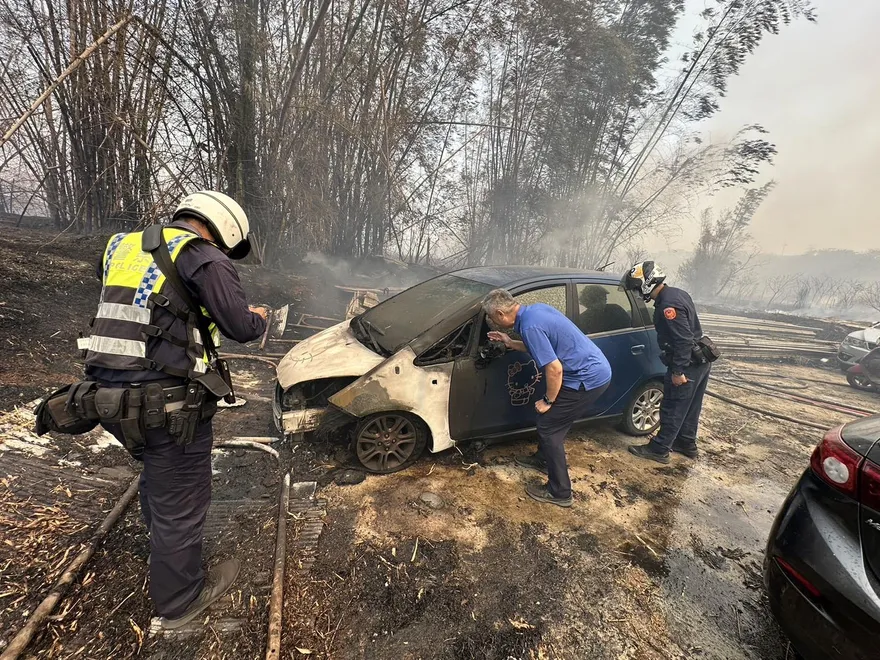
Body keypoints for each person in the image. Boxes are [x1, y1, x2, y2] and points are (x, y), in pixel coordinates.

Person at [83, 191, 268, 628]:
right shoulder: (205, 258)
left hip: (107, 396)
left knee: (156, 470)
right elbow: (240, 326)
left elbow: (144, 304)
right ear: (224, 228)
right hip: (167, 404)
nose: (226, 253)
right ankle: (180, 600)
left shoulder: (120, 245)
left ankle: (161, 543)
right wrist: (257, 315)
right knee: (181, 496)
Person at [483, 289, 612, 507]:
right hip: (590, 370)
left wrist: (548, 400)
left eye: (491, 317)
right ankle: (543, 459)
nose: (492, 321)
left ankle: (560, 492)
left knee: (549, 427)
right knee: (552, 422)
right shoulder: (535, 312)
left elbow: (554, 369)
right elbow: (540, 347)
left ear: (500, 314)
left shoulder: (529, 326)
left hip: (586, 378)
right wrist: (510, 342)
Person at [621, 261, 710, 464]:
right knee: (691, 406)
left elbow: (683, 340)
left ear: (647, 283)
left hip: (687, 363)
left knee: (673, 406)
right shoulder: (677, 294)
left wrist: (678, 371)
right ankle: (686, 443)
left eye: (636, 287)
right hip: (699, 361)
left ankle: (659, 449)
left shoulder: (668, 305)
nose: (636, 292)